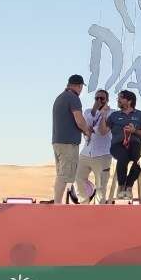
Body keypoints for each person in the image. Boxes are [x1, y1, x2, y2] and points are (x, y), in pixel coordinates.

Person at [51, 74, 90, 204]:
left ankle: (58, 202)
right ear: (79, 86)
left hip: (58, 141)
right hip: (68, 143)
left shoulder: (60, 97)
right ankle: (58, 204)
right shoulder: (73, 98)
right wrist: (87, 131)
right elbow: (79, 120)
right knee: (64, 175)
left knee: (61, 174)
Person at [107, 89, 141, 196]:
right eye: (118, 98)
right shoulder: (114, 115)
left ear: (129, 101)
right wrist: (103, 116)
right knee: (123, 156)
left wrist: (134, 131)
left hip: (134, 144)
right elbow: (103, 131)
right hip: (117, 145)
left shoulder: (140, 115)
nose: (118, 100)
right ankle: (121, 187)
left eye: (121, 98)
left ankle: (128, 186)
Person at [76, 89, 113, 203]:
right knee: (78, 178)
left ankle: (99, 210)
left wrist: (103, 114)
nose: (99, 100)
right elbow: (85, 127)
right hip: (86, 152)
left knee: (101, 186)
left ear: (107, 100)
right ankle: (84, 204)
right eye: (97, 98)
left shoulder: (112, 113)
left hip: (103, 154)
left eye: (102, 98)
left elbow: (102, 131)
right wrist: (95, 111)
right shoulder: (88, 112)